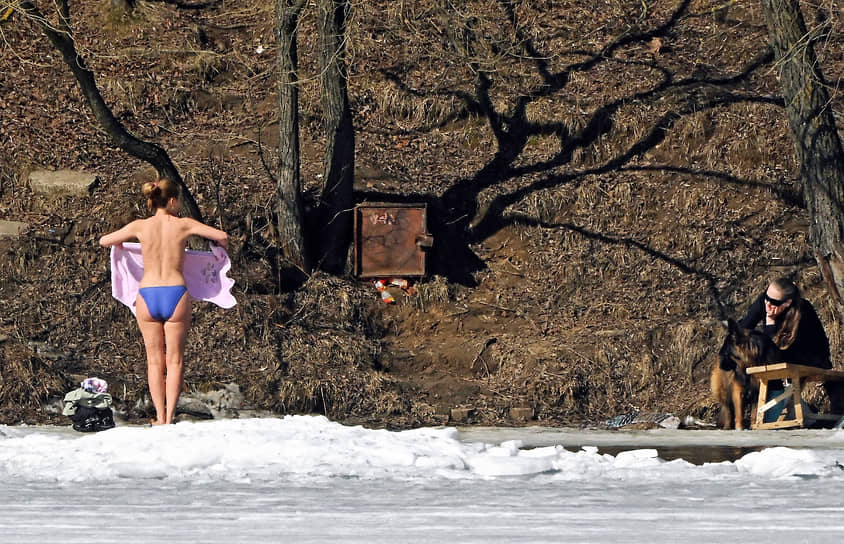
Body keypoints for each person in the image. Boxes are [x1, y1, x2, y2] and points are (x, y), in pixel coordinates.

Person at [99, 178, 228, 425]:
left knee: (154, 360)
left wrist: (124, 246)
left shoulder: (140, 226)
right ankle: (170, 418)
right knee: (175, 359)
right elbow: (221, 235)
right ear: (171, 201)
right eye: (178, 200)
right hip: (175, 293)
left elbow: (105, 241)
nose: (179, 204)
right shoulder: (183, 224)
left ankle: (158, 416)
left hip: (147, 295)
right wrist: (218, 250)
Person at [738, 277, 830, 369]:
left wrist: (770, 323)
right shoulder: (764, 301)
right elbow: (743, 328)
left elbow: (783, 352)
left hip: (806, 355)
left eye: (774, 302)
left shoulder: (802, 311)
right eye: (766, 297)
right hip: (780, 353)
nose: (768, 303)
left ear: (787, 303)